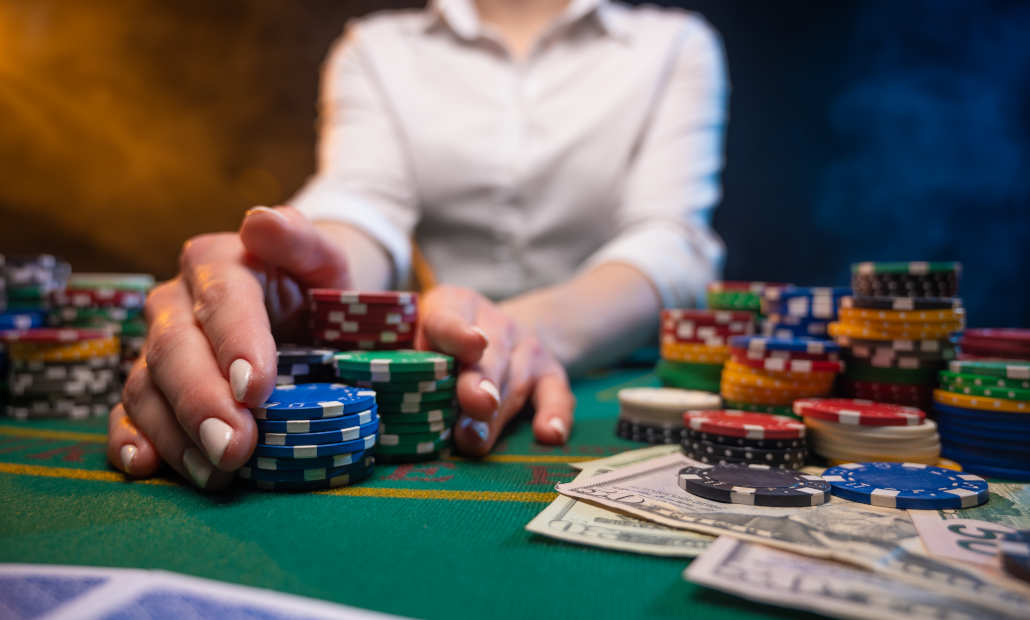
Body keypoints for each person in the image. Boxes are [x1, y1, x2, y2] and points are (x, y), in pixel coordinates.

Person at [106, 0, 728, 489]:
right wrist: (301, 274)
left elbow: (670, 240)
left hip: (590, 371)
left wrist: (516, 333)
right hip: (432, 369)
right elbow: (360, 203)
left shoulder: (675, 43)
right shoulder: (375, 47)